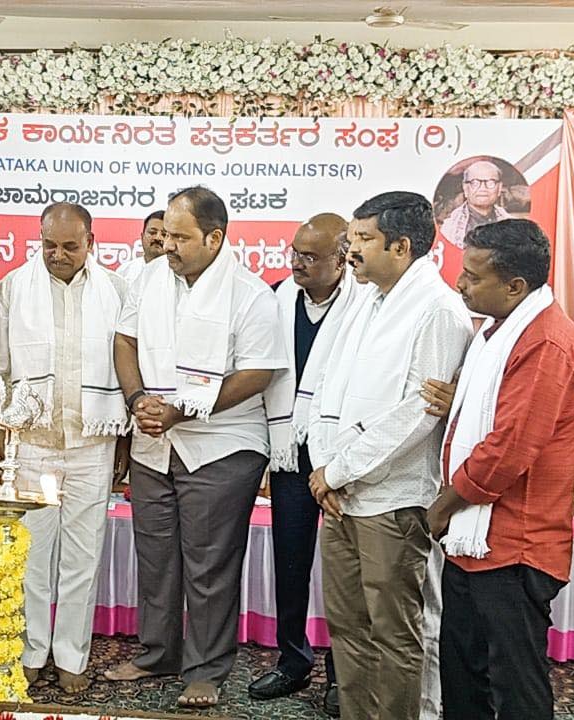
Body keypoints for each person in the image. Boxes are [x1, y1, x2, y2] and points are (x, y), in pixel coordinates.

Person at [106, 186, 287, 708]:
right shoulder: (149, 278)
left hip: (221, 447)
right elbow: (125, 340)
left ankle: (206, 669)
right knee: (156, 558)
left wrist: (182, 410)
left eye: (180, 238)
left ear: (214, 238)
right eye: (164, 236)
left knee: (209, 565)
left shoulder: (251, 295)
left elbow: (258, 372)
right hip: (153, 443)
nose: (167, 246)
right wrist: (137, 398)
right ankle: (158, 653)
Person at [307, 191, 472, 720]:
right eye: (351, 238)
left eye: (363, 239)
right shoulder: (366, 299)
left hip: (393, 502)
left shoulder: (439, 310)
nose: (350, 250)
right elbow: (327, 388)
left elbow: (419, 414)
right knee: (348, 629)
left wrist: (338, 470)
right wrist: (323, 468)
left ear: (401, 246)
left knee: (396, 637)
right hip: (340, 497)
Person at [424, 219, 574, 719]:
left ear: (515, 286)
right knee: (463, 674)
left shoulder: (545, 343)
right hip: (475, 539)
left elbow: (509, 450)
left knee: (514, 685)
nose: (460, 284)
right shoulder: (498, 331)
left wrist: (443, 506)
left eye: (474, 276)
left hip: (516, 544)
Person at [0, 202, 131, 693]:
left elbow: (127, 366)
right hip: (33, 442)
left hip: (92, 441)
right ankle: (31, 652)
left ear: (91, 242)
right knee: (32, 558)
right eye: (49, 245)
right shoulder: (13, 288)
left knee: (82, 559)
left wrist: (124, 436)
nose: (58, 254)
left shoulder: (116, 290)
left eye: (70, 246)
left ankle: (71, 656)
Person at [251, 213, 353, 708]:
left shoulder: (364, 306)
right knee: (290, 563)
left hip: (343, 459)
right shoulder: (276, 298)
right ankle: (293, 661)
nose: (298, 263)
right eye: (295, 252)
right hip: (290, 453)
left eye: (311, 257)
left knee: (343, 573)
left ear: (343, 259)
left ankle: (342, 674)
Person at [440, 160, 511, 250]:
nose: (483, 188)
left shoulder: (510, 222)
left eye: (490, 182)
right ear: (465, 188)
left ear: (499, 188)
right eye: (475, 183)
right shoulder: (449, 228)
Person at [115, 210, 165, 286]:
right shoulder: (124, 271)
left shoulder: (176, 274)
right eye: (152, 233)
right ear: (142, 237)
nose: (158, 238)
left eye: (164, 234)